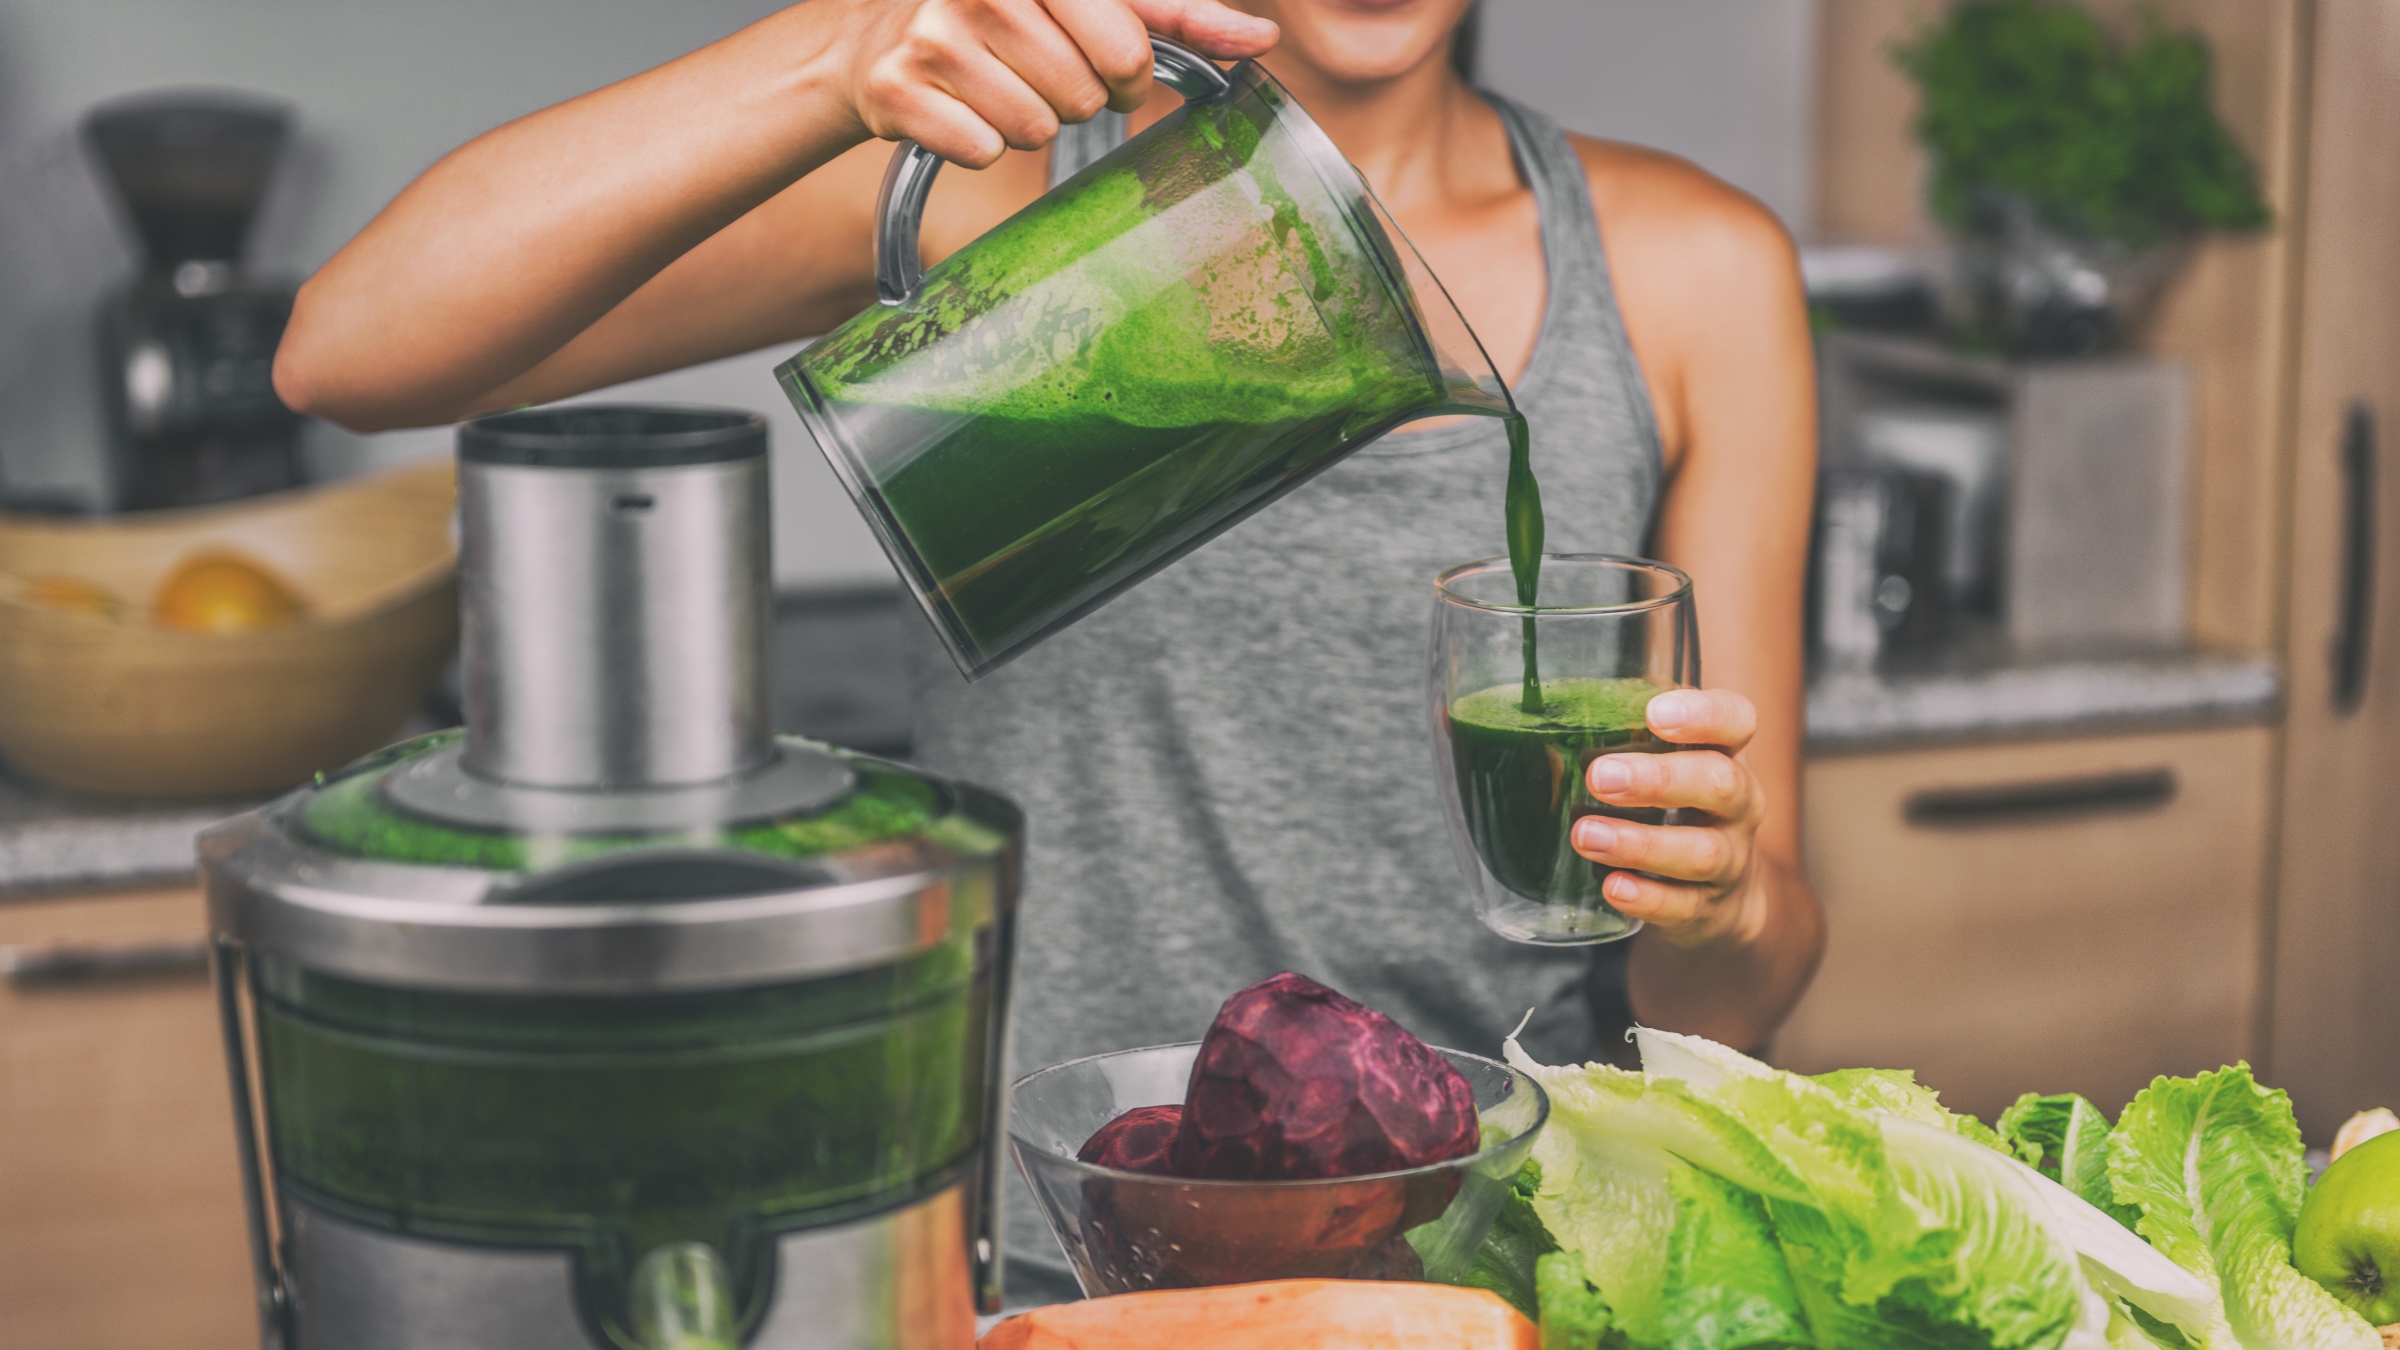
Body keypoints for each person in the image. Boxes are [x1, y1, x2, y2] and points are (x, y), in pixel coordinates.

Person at [274, 0, 1825, 1304]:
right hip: (1039, 1256)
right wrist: (840, 51)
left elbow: (1737, 997)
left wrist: (1726, 891)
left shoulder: (1692, 273)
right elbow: (351, 349)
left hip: (1495, 1261)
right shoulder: (992, 194)